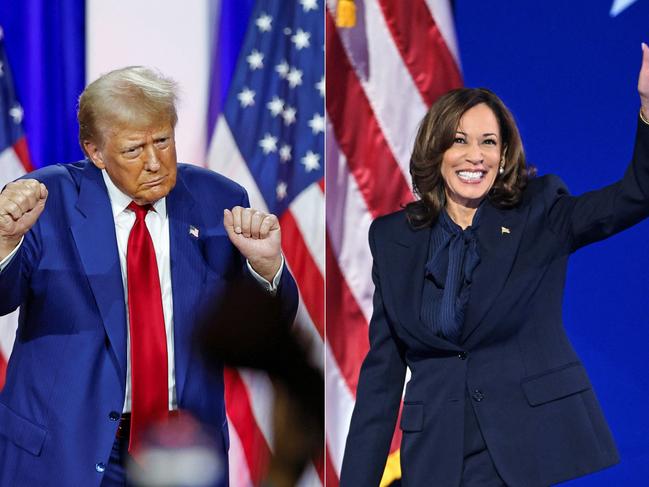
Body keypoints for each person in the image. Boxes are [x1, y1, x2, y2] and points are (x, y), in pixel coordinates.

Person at [340, 44, 649, 487]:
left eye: (489, 142)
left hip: (517, 451)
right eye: (459, 141)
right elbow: (382, 378)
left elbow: (635, 195)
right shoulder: (393, 237)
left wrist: (648, 108)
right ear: (436, 151)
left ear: (504, 157)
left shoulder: (539, 214)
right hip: (434, 458)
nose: (474, 156)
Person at [0, 66, 298, 487]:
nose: (155, 162)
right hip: (64, 451)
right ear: (95, 152)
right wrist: (4, 241)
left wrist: (266, 268)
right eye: (133, 150)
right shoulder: (46, 201)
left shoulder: (220, 200)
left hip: (181, 452)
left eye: (163, 141)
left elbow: (268, 328)